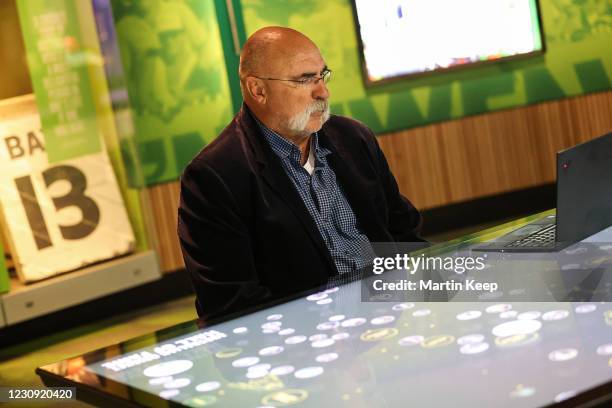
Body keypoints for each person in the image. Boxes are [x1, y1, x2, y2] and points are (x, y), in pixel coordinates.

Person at [178, 26, 424, 320]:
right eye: (305, 80)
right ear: (258, 90)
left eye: (322, 75)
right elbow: (232, 303)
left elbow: (403, 232)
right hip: (310, 341)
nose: (323, 92)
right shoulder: (214, 177)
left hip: (392, 316)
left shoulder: (354, 138)